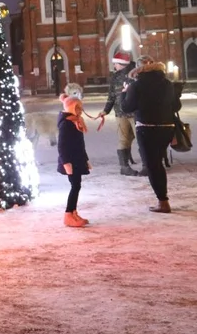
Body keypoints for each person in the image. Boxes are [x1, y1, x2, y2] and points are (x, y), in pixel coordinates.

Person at [120, 55, 179, 213]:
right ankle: (163, 199)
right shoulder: (167, 84)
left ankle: (163, 201)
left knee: (153, 165)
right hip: (167, 127)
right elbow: (176, 106)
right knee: (158, 162)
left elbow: (126, 107)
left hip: (147, 128)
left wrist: (124, 93)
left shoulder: (137, 85)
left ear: (138, 72)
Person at [97, 51, 139, 176]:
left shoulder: (136, 74)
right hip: (123, 114)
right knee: (126, 139)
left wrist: (107, 110)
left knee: (136, 139)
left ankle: (145, 166)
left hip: (135, 113)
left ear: (121, 64)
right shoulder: (116, 77)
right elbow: (112, 96)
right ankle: (124, 167)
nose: (114, 66)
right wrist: (106, 110)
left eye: (115, 64)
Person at [58, 93, 92, 227]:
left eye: (80, 108)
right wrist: (66, 162)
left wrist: (86, 159)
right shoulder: (66, 124)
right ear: (71, 108)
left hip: (77, 159)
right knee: (75, 186)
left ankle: (73, 212)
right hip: (71, 161)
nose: (80, 111)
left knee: (77, 186)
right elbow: (62, 146)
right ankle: (68, 214)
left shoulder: (75, 121)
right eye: (77, 108)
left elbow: (80, 144)